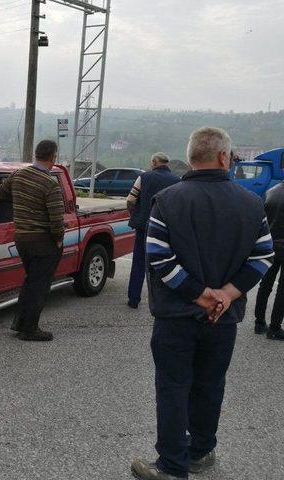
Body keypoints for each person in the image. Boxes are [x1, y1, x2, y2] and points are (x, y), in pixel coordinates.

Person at [131, 127, 274, 480]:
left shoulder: (167, 200)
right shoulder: (252, 203)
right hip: (223, 318)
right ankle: (201, 451)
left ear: (192, 156)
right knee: (211, 384)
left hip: (176, 315)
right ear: (224, 157)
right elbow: (263, 256)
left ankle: (171, 465)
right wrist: (226, 295)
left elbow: (158, 258)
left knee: (173, 386)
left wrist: (198, 293)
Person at [0, 140, 64, 341]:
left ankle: (20, 324)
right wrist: (58, 240)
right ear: (53, 158)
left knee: (30, 281)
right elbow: (57, 220)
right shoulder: (50, 184)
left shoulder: (18, 175)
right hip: (43, 243)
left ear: (36, 154)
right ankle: (30, 330)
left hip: (22, 240)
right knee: (39, 286)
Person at [126, 153, 180, 309]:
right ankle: (162, 300)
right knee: (165, 263)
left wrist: (135, 214)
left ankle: (134, 299)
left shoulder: (144, 177)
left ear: (155, 162)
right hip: (167, 230)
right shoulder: (177, 181)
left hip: (144, 227)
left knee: (139, 263)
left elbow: (130, 200)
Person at [253, 181, 284, 340]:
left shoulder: (271, 191)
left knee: (265, 284)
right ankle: (275, 328)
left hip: (271, 244)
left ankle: (259, 323)